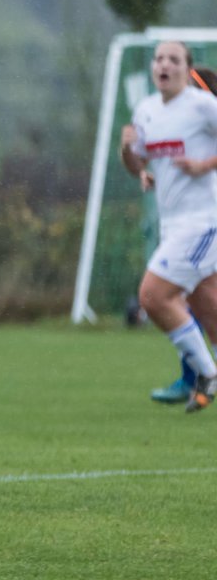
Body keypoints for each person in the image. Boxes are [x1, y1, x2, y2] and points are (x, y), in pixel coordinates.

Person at [121, 42, 217, 413]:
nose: (164, 64)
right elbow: (138, 165)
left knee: (153, 296)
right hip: (172, 224)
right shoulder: (145, 110)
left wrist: (204, 166)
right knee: (206, 307)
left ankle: (207, 373)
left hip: (204, 222)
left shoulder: (202, 105)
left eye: (173, 59)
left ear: (187, 69)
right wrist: (129, 152)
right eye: (159, 59)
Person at [150, 65, 217, 403]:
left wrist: (204, 166)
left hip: (206, 225)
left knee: (169, 294)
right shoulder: (190, 129)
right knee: (197, 298)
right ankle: (195, 379)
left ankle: (199, 378)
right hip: (195, 225)